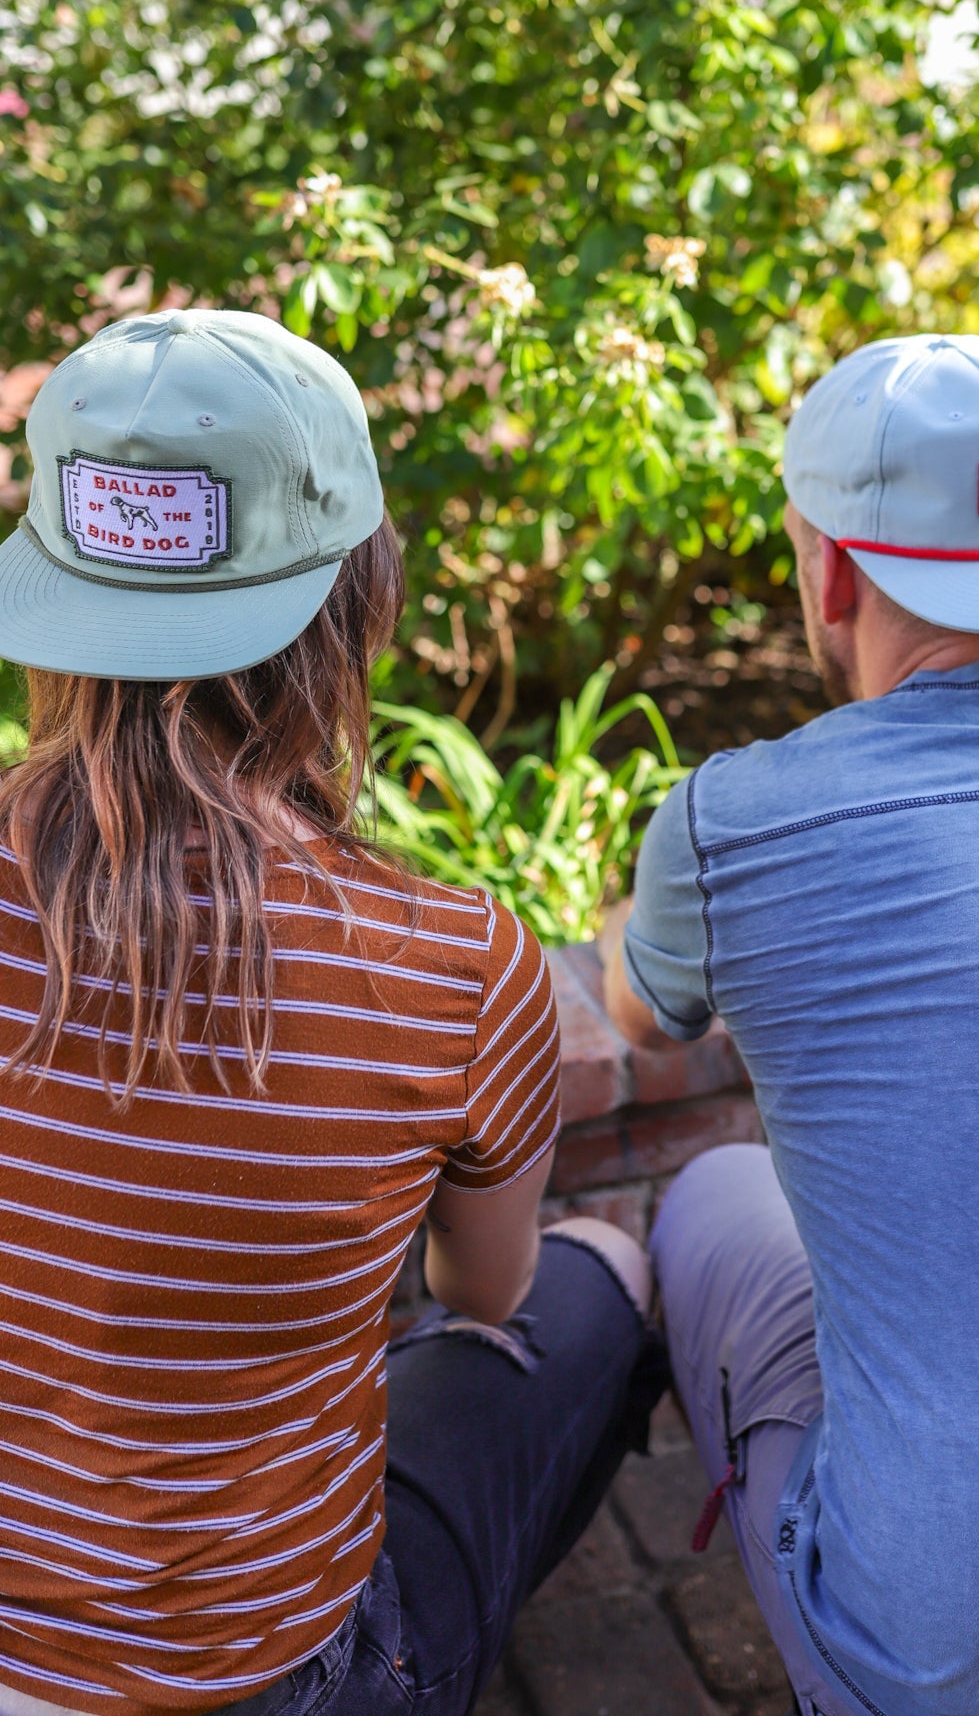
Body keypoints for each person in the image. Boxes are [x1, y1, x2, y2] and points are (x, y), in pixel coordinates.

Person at [0, 309, 663, 1716]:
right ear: (360, 595)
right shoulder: (454, 966)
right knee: (598, 1281)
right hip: (265, 1679)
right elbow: (482, 1295)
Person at [602, 331, 979, 1716]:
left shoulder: (731, 823)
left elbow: (640, 1022)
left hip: (952, 1657)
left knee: (711, 1192)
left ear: (833, 574)